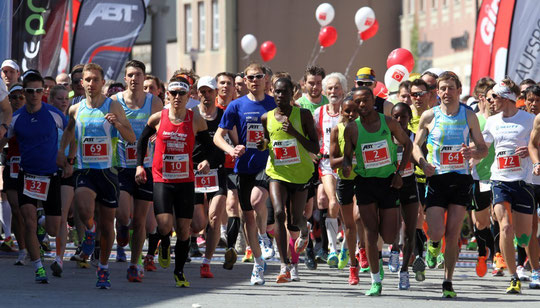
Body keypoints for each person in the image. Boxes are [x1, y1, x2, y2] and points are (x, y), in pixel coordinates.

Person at [58, 63, 136, 289]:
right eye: (87, 80)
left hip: (109, 173)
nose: (91, 84)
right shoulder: (76, 108)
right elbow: (69, 131)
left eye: (95, 80)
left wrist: (118, 124)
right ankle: (89, 231)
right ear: (81, 83)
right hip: (86, 170)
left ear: (103, 83)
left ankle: (103, 268)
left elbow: (131, 137)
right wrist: (61, 153)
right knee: (83, 209)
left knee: (107, 225)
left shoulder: (113, 106)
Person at [412, 71, 487, 298]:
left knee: (452, 233)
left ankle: (448, 282)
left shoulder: (468, 115)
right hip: (437, 178)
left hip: (461, 179)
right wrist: (423, 163)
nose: (446, 92)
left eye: (450, 88)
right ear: (438, 91)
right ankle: (433, 245)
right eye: (442, 88)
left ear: (459, 90)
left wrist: (473, 151)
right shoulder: (429, 116)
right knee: (435, 231)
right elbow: (416, 146)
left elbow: (483, 148)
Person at [135, 75, 211, 287]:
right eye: (173, 93)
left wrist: (205, 160)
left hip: (185, 180)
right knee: (164, 224)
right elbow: (141, 142)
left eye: (182, 93)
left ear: (189, 96)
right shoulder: (158, 118)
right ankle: (165, 241)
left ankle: (179, 272)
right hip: (162, 179)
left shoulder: (195, 119)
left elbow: (209, 146)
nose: (177, 97)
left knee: (185, 230)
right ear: (167, 95)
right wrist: (140, 165)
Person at [342, 86, 413, 296]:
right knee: (370, 234)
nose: (362, 105)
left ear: (374, 100)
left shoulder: (388, 122)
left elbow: (407, 145)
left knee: (389, 236)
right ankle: (375, 280)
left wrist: (400, 172)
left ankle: (381, 254)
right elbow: (347, 155)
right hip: (365, 183)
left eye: (365, 100)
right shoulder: (352, 129)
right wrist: (346, 165)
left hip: (388, 182)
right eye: (357, 102)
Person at [214, 63, 276, 285]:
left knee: (256, 199)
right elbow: (218, 136)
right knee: (246, 215)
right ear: (246, 81)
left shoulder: (274, 103)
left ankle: (265, 237)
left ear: (266, 79)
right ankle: (258, 263)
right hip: (244, 167)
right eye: (250, 77)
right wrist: (231, 149)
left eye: (259, 76)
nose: (255, 80)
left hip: (269, 165)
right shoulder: (236, 105)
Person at [3, 70, 65, 283]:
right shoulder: (16, 118)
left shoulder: (53, 113)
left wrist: (68, 157)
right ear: (25, 92)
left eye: (39, 90)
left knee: (53, 229)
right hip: (27, 175)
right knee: (27, 221)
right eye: (30, 91)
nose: (35, 95)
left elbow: (71, 133)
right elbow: (3, 140)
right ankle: (38, 267)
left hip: (51, 176)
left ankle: (43, 219)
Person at [259, 77, 319, 282]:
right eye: (276, 92)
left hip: (301, 173)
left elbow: (315, 148)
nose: (279, 96)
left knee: (295, 220)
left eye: (284, 92)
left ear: (292, 92)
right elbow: (268, 140)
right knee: (278, 213)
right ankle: (284, 265)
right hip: (277, 172)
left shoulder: (303, 115)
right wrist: (262, 144)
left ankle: (305, 228)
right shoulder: (266, 117)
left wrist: (294, 133)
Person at [483, 79, 535, 294]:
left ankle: (523, 259)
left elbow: (537, 144)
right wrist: (472, 153)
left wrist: (530, 150)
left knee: (523, 237)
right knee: (504, 226)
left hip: (523, 182)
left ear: (505, 98)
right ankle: (513, 277)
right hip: (500, 180)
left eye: (494, 97)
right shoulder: (491, 122)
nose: (490, 101)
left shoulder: (530, 119)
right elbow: (482, 148)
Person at [112, 60, 162, 282]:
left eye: (138, 75)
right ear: (125, 79)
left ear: (144, 78)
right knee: (124, 214)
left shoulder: (154, 102)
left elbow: (161, 131)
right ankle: (122, 226)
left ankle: (135, 263)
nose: (134, 79)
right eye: (130, 75)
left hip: (147, 167)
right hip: (122, 165)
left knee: (141, 220)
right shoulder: (115, 101)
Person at [190, 75, 228, 279]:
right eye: (202, 91)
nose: (205, 95)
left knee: (214, 217)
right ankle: (190, 237)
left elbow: (231, 141)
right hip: (194, 172)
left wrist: (236, 149)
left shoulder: (224, 115)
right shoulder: (190, 114)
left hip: (217, 170)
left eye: (209, 91)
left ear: (216, 93)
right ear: (197, 94)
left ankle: (207, 262)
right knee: (198, 223)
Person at [313, 72, 346, 267]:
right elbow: (315, 136)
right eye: (330, 88)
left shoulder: (349, 112)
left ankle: (348, 245)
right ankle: (332, 249)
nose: (333, 91)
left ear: (343, 89)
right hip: (326, 164)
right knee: (330, 201)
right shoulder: (320, 112)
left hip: (346, 164)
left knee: (345, 206)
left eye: (337, 87)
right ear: (325, 91)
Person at [329, 94, 361, 284]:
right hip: (345, 179)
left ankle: (364, 249)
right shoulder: (336, 130)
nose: (351, 114)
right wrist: (346, 160)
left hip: (365, 178)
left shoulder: (367, 129)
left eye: (355, 111)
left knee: (360, 217)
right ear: (341, 112)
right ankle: (353, 265)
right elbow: (333, 162)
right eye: (347, 111)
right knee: (350, 225)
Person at [388, 103, 419, 290]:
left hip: (409, 184)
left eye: (403, 117)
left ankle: (405, 271)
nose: (399, 120)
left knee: (410, 230)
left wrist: (424, 164)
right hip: (390, 185)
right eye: (396, 117)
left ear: (409, 119)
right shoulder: (386, 136)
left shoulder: (414, 137)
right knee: (392, 224)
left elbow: (419, 156)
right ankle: (393, 248)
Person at [469, 77, 496, 279]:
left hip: (501, 176)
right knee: (481, 223)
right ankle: (484, 250)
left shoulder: (503, 119)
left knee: (500, 217)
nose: (495, 100)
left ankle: (498, 255)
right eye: (491, 97)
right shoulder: (474, 119)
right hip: (479, 177)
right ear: (482, 98)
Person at [47, 84, 75, 277]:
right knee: (51, 221)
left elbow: (74, 142)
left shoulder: (72, 119)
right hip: (46, 171)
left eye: (66, 98)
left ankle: (59, 259)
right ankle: (42, 221)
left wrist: (70, 162)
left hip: (66, 171)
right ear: (51, 100)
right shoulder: (46, 117)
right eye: (60, 98)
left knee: (63, 216)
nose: (64, 101)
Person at [2, 84, 25, 264]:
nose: (17, 100)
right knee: (16, 209)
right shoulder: (6, 118)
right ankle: (23, 249)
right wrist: (5, 136)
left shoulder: (32, 115)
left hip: (32, 167)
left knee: (30, 212)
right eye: (13, 97)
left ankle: (37, 242)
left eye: (20, 97)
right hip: (12, 165)